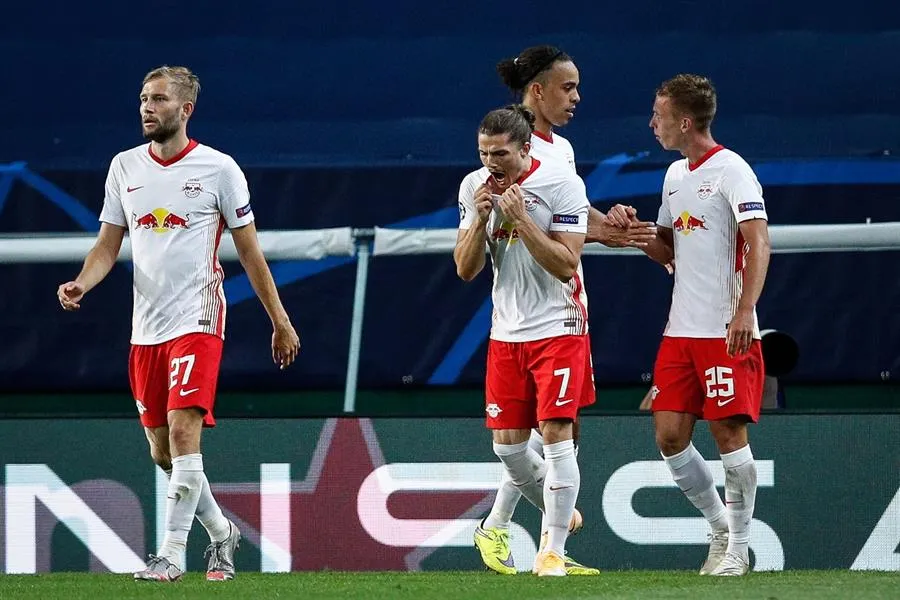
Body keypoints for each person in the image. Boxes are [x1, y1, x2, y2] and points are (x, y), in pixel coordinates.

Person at [57, 66, 301, 583]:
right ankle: (222, 533)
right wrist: (83, 282)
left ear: (185, 109)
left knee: (183, 428)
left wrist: (279, 320)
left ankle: (169, 554)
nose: (147, 107)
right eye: (143, 98)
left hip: (198, 316)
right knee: (162, 450)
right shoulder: (124, 167)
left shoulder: (219, 169)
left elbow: (251, 252)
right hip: (145, 328)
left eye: (159, 99)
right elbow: (108, 244)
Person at [474, 44, 653, 577]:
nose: (576, 97)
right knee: (548, 436)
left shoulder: (563, 151)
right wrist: (600, 231)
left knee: (561, 430)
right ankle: (514, 525)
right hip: (529, 305)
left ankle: (516, 532)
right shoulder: (506, 145)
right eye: (567, 87)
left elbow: (571, 218)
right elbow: (526, 220)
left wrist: (611, 225)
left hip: (562, 303)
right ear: (537, 91)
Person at [614, 73, 770, 576]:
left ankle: (739, 551)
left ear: (684, 121)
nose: (652, 123)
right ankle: (721, 526)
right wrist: (634, 232)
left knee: (729, 437)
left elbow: (760, 242)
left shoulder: (733, 171)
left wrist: (745, 312)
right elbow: (668, 248)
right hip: (679, 332)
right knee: (669, 436)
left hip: (726, 329)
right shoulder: (675, 176)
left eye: (658, 114)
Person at [455, 104, 591, 577]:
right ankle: (558, 516)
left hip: (558, 325)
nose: (491, 163)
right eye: (483, 152)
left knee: (557, 436)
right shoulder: (474, 187)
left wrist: (522, 218)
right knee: (508, 448)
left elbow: (566, 265)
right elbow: (466, 269)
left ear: (525, 149)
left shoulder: (561, 185)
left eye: (501, 154)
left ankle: (551, 552)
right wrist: (478, 220)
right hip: (506, 332)